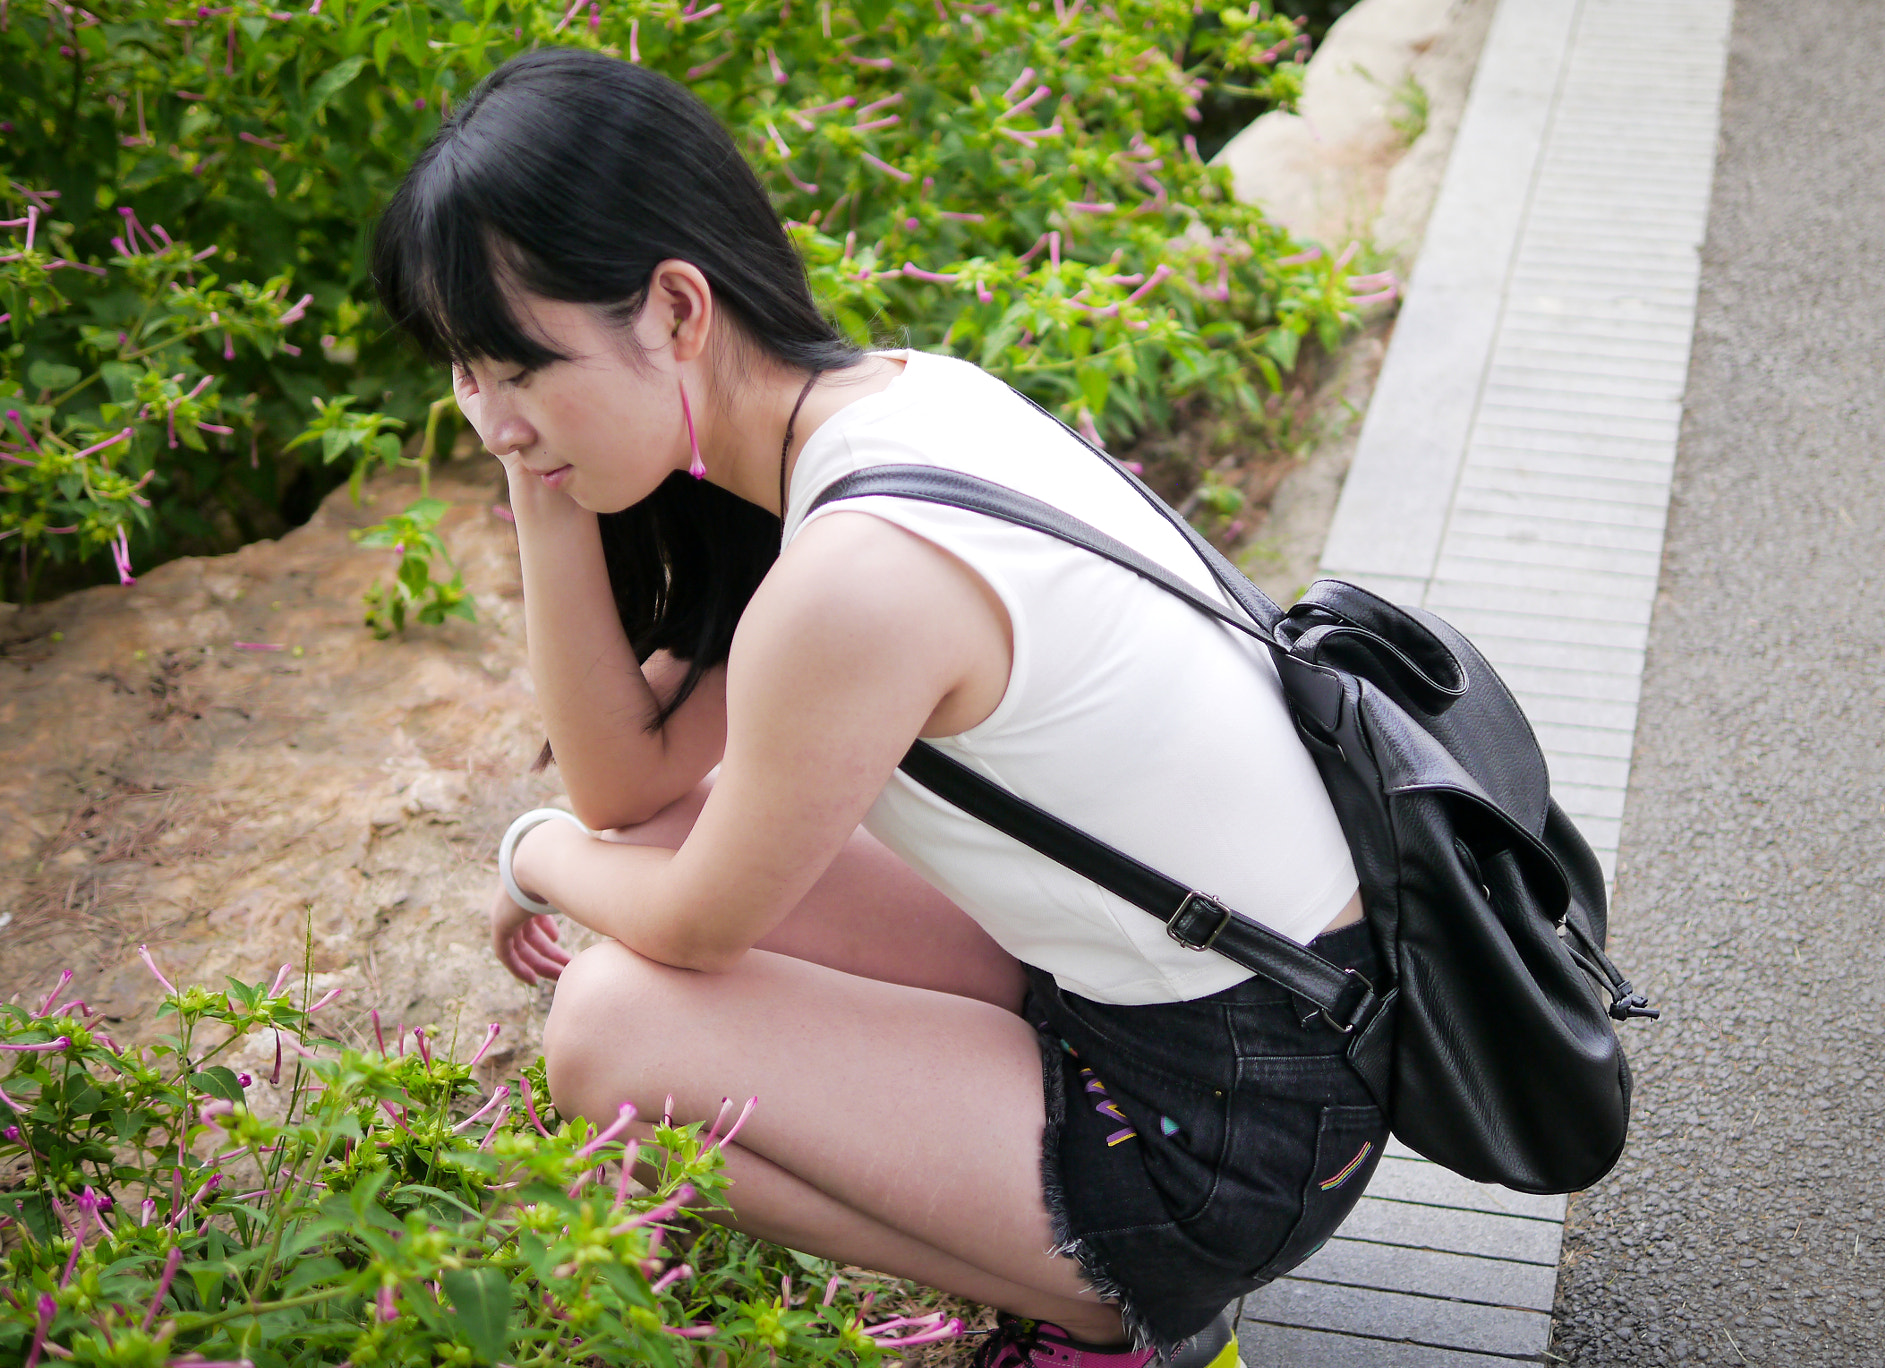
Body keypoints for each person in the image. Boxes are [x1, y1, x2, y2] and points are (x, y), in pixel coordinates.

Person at [372, 46, 1386, 1368]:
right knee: (673, 830)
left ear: (678, 309)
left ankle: (1114, 1311)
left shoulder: (854, 579)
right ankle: (1080, 1234)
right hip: (1277, 1022)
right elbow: (631, 786)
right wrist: (539, 463)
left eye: (515, 364)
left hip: (1242, 1130)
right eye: (465, 370)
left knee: (609, 1031)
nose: (489, 418)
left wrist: (531, 851)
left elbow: (685, 921)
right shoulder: (901, 406)